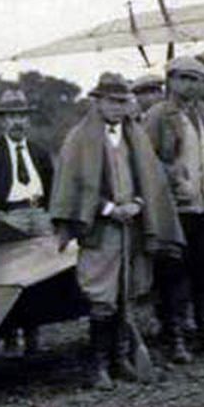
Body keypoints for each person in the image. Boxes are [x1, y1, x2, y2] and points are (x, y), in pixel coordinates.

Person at [51, 72, 184, 389]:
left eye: (123, 101)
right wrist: (110, 209)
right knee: (102, 297)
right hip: (101, 229)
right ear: (97, 102)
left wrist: (138, 203)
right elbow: (73, 186)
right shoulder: (79, 138)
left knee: (129, 292)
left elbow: (149, 178)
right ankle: (98, 366)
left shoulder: (134, 136)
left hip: (133, 227)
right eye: (111, 101)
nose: (117, 108)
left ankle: (121, 358)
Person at [142, 55, 204, 360]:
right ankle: (174, 338)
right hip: (176, 209)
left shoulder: (203, 112)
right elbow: (146, 161)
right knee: (173, 274)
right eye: (184, 79)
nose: (190, 86)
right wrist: (174, 177)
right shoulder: (157, 115)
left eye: (197, 80)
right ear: (171, 81)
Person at [0, 89, 55, 355]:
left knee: (40, 278)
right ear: (2, 121)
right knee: (10, 279)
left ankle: (33, 334)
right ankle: (10, 335)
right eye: (11, 116)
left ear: (28, 120)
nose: (17, 122)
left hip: (40, 216)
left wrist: (49, 213)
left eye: (22, 116)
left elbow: (53, 184)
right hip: (10, 217)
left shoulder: (39, 152)